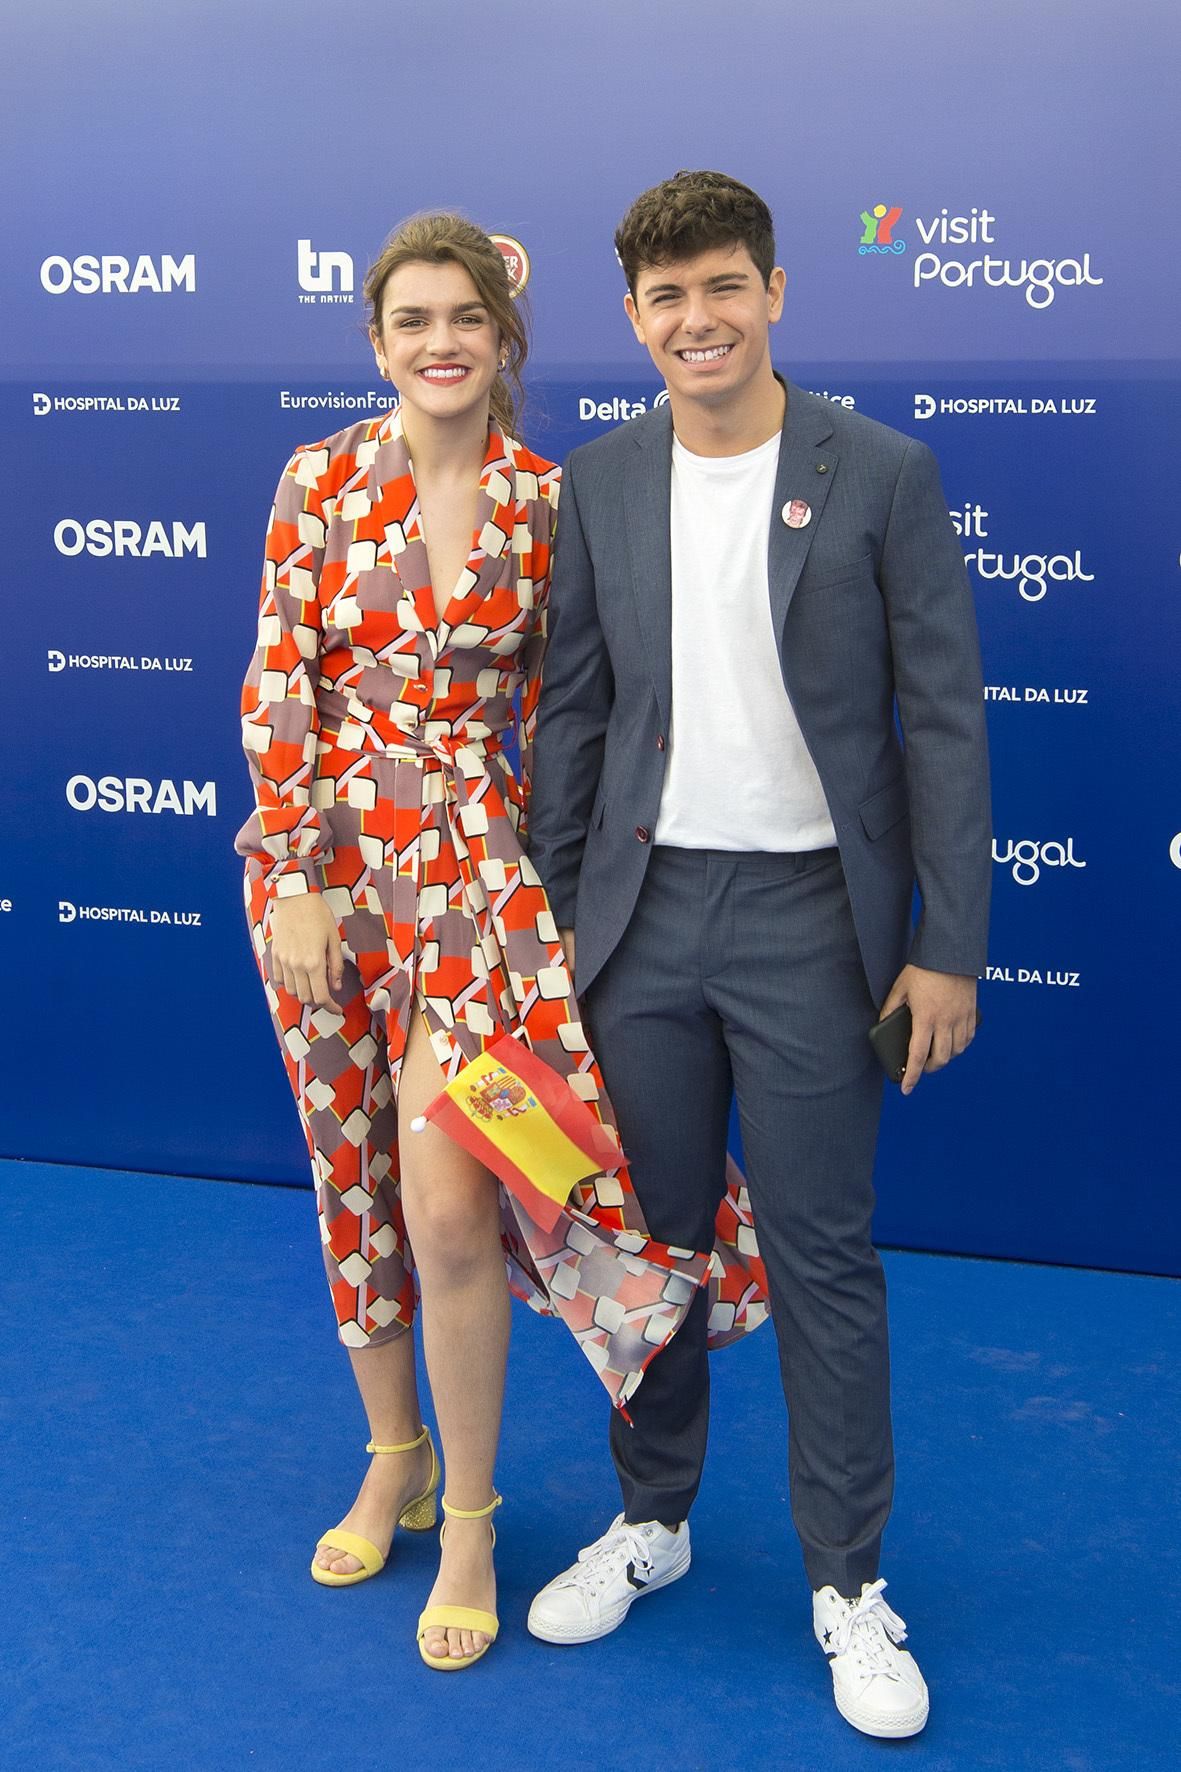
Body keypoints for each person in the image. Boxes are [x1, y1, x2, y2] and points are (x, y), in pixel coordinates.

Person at [233, 211, 765, 1670]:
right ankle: (390, 1450)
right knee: (353, 1180)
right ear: (376, 342)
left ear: (502, 338)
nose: (439, 344)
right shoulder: (320, 479)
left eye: (462, 318)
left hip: (477, 879)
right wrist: (291, 874)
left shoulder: (551, 501)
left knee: (456, 1201)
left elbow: (578, 708)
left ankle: (468, 1515)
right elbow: (281, 684)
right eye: (410, 321)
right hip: (328, 876)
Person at [524, 171, 990, 1740]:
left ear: (774, 292)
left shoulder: (880, 471)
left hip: (812, 926)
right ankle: (652, 1520)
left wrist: (947, 945)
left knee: (819, 1254)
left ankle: (847, 1582)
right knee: (648, 1252)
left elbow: (942, 721)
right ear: (635, 316)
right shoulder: (599, 481)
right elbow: (573, 716)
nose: (695, 319)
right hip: (639, 922)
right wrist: (544, 939)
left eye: (721, 286)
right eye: (664, 297)